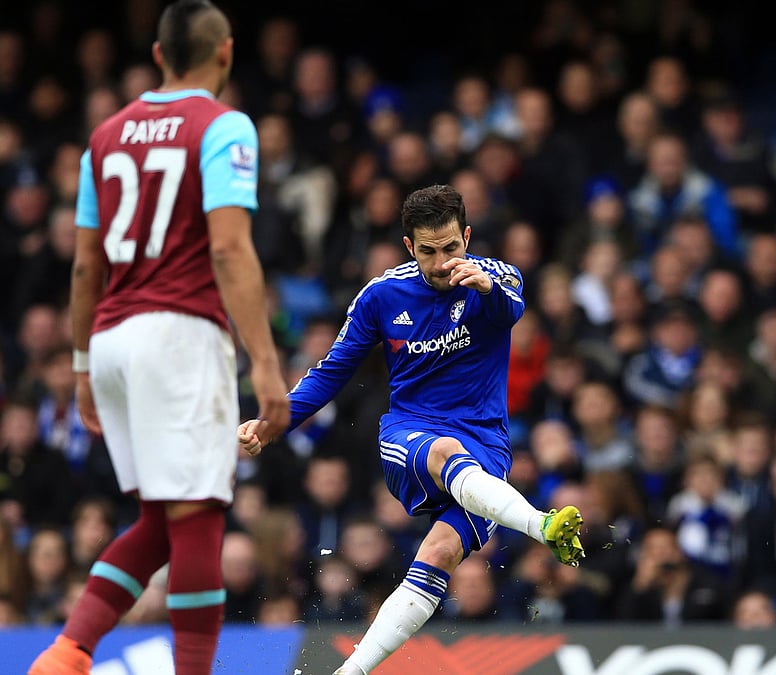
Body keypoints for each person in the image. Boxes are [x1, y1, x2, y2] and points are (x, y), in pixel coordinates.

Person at [28, 2, 290, 674]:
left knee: (159, 522)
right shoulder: (224, 125)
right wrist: (265, 363)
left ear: (157, 56)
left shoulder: (106, 136)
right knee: (200, 516)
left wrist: (85, 365)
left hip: (113, 335)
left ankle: (66, 652)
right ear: (226, 53)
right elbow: (230, 251)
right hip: (178, 334)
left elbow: (86, 265)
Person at [238, 185, 585, 675]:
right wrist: (275, 422)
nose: (443, 262)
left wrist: (483, 285)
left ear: (466, 236)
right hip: (412, 435)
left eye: (451, 248)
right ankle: (542, 525)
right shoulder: (381, 295)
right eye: (428, 251)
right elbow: (332, 371)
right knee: (444, 450)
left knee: (438, 554)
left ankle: (348, 673)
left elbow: (512, 311)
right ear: (409, 247)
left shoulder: (497, 278)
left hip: (486, 448)